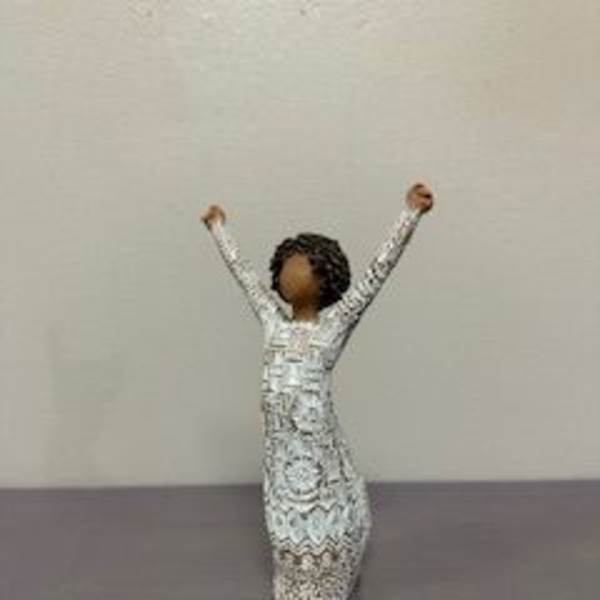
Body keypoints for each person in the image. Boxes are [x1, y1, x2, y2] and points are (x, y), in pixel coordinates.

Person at [201, 182, 434, 599]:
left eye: (301, 264)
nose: (289, 271)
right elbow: (244, 275)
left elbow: (377, 273)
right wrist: (219, 228)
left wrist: (409, 213)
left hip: (315, 449)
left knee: (319, 511)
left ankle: (330, 577)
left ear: (325, 276)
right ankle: (294, 581)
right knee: (285, 517)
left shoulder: (334, 325)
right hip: (279, 450)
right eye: (285, 264)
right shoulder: (272, 320)